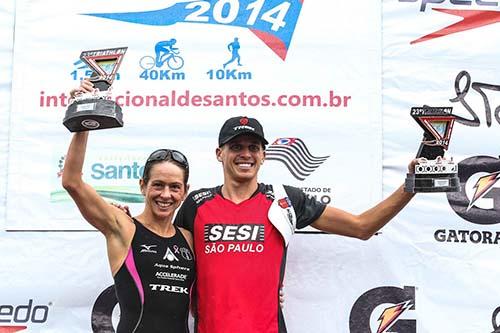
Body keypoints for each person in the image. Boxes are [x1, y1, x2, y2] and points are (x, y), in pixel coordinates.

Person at [174, 115, 417, 333]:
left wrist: (411, 186)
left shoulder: (284, 200)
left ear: (263, 155)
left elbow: (362, 226)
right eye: (236, 147)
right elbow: (164, 255)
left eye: (254, 147)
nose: (245, 154)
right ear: (220, 154)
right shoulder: (196, 204)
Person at [62, 80, 194, 333]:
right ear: (143, 186)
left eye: (174, 187)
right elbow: (72, 182)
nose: (165, 194)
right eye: (158, 185)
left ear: (184, 192)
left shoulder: (188, 238)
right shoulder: (122, 227)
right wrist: (83, 119)